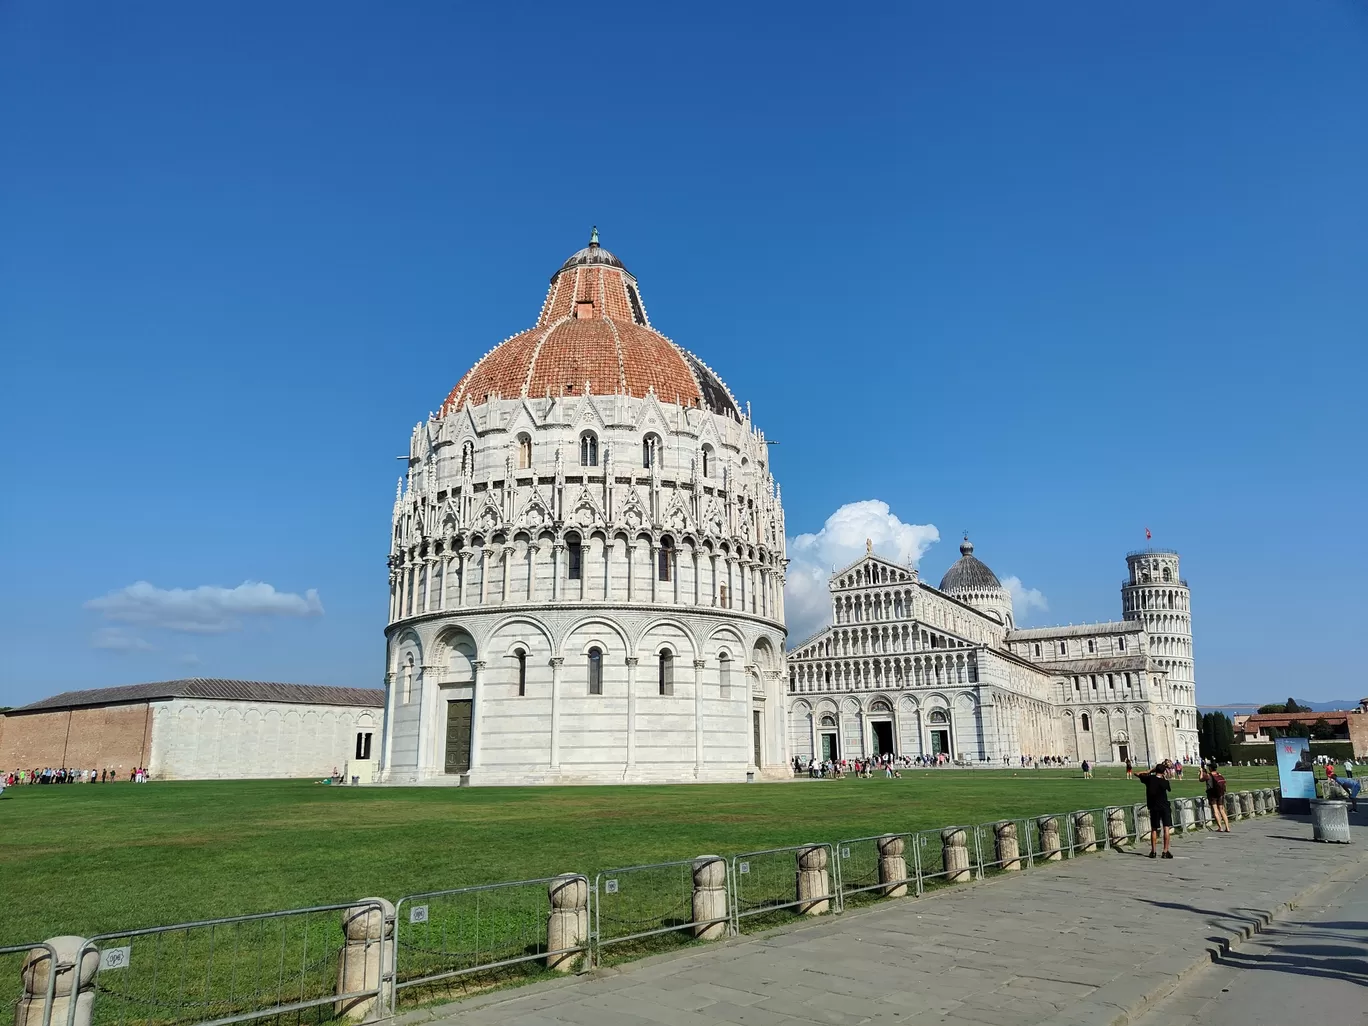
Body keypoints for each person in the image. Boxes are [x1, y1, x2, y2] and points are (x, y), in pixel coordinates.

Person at [1136, 761, 1174, 858]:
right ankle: (1165, 851)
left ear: (1155, 770)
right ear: (1164, 772)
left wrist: (1149, 770)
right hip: (1164, 806)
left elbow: (1137, 773)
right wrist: (1164, 776)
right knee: (1166, 828)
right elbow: (1168, 788)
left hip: (1153, 807)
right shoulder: (1165, 782)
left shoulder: (1150, 779)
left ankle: (1153, 851)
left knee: (1154, 829)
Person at [1200, 760, 1231, 832]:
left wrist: (1201, 772)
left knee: (1215, 810)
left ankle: (1220, 827)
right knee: (1222, 810)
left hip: (1212, 794)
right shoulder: (1219, 774)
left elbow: (1201, 779)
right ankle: (1227, 827)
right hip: (1220, 793)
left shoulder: (1208, 775)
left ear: (1210, 768)